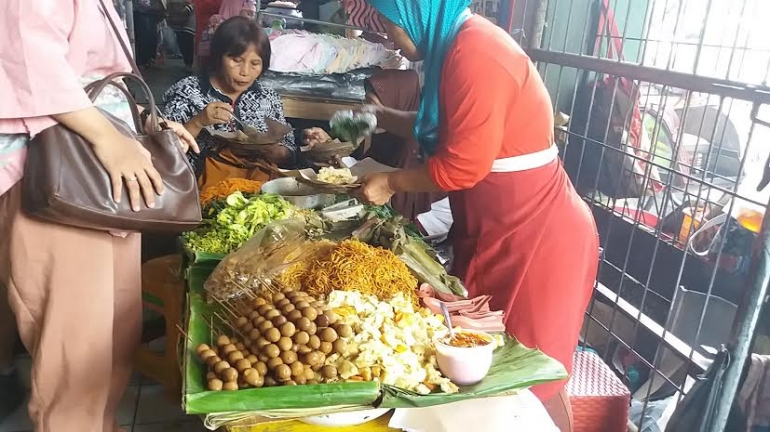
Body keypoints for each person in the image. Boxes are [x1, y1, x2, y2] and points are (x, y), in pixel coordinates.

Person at [354, 1, 599, 431]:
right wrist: (381, 118)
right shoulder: (453, 49)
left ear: (416, 12)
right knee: (480, 356)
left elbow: (462, 166)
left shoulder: (475, 53)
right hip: (495, 230)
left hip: (537, 236)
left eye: (390, 25)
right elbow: (447, 128)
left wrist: (388, 183)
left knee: (526, 372)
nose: (389, 37)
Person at [0, 2, 197, 431]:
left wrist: (145, 121)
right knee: (74, 346)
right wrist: (107, 137)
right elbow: (28, 63)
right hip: (61, 181)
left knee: (112, 336)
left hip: (107, 179)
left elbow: (99, 78)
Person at [164, 16, 297, 183]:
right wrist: (198, 122)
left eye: (255, 63)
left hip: (260, 189)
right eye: (236, 60)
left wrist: (272, 150)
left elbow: (290, 152)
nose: (245, 72)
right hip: (200, 189)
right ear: (219, 56)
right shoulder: (187, 92)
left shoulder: (268, 97)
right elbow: (166, 153)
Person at [305, 69, 447, 223]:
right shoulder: (384, 134)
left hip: (420, 223)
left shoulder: (415, 148)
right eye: (366, 101)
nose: (368, 110)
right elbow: (367, 167)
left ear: (398, 104)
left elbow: (393, 192)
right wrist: (329, 146)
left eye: (374, 104)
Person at [168, 0, 197, 71]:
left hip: (188, 20)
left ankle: (188, 64)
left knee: (188, 43)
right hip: (176, 18)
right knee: (181, 42)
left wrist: (189, 8)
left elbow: (196, 3)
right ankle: (186, 63)